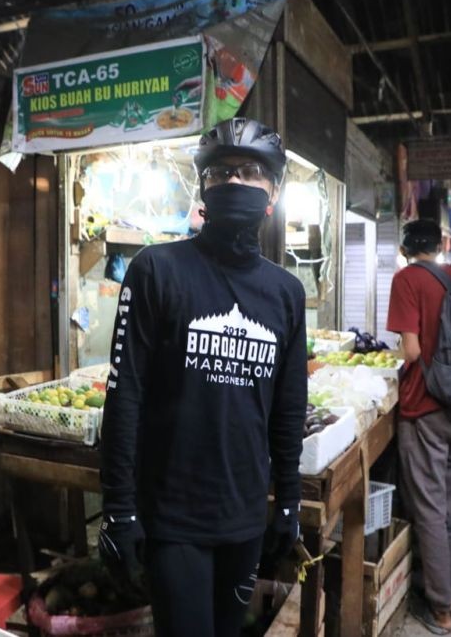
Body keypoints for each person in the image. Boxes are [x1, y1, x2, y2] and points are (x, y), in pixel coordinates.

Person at [97, 118, 307, 637]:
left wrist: (288, 500)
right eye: (221, 172)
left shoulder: (285, 292)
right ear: (204, 188)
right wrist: (119, 509)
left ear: (274, 192)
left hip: (244, 517)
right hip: (173, 520)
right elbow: (124, 397)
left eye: (252, 172)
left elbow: (288, 406)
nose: (235, 181)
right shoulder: (156, 271)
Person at [387, 219, 451, 635]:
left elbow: (413, 350)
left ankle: (440, 609)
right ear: (440, 247)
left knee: (429, 508)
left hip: (425, 406)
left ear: (404, 248)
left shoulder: (407, 279)